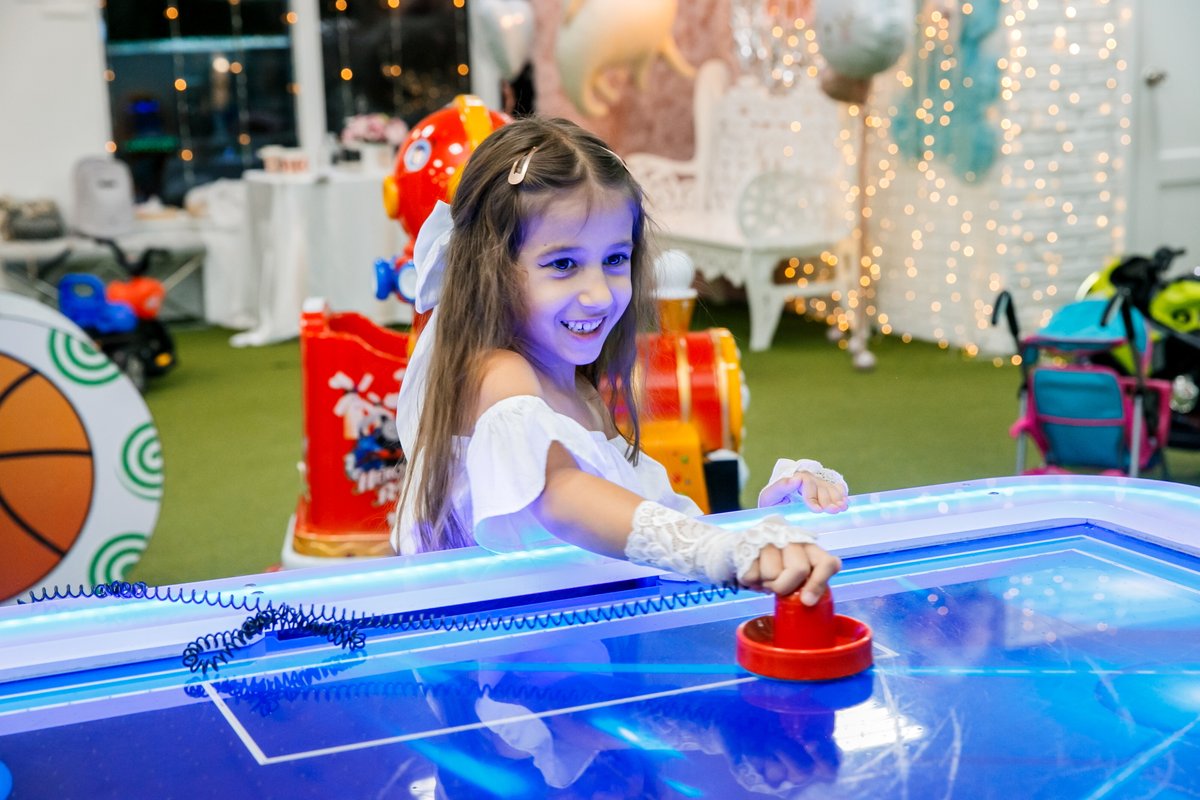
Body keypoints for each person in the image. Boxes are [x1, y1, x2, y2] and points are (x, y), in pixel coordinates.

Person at [393, 116, 848, 601]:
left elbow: (640, 520)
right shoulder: (497, 375)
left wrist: (762, 523)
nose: (600, 295)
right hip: (504, 647)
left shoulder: (580, 392)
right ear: (492, 270)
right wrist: (717, 549)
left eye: (615, 259)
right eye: (563, 264)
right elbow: (560, 493)